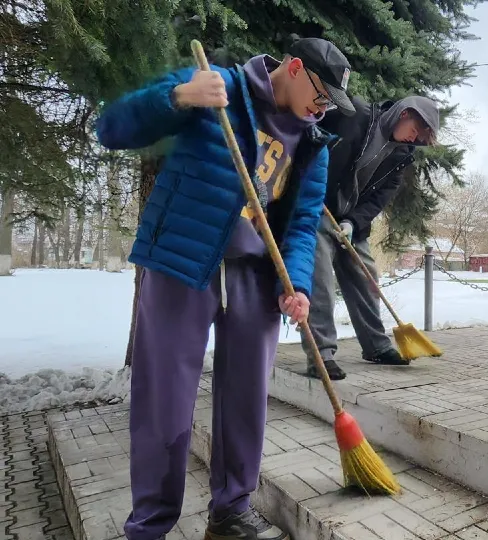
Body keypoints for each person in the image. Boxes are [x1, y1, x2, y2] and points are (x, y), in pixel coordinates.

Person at [95, 36, 355, 540]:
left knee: (246, 401)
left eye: (329, 105)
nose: (321, 110)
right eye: (320, 96)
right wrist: (177, 98)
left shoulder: (314, 143)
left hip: (256, 277)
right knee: (164, 402)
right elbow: (112, 128)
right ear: (295, 68)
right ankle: (150, 524)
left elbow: (301, 225)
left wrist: (296, 283)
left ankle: (231, 511)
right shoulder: (217, 87)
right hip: (182, 263)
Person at [300, 94, 440, 380]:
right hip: (318, 207)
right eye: (414, 131)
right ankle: (321, 355)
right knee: (321, 277)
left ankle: (376, 345)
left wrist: (353, 222)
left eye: (418, 139)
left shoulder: (401, 156)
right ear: (404, 113)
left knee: (366, 276)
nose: (412, 140)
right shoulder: (355, 115)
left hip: (350, 219)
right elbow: (309, 133)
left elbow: (379, 199)